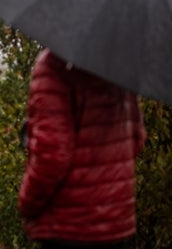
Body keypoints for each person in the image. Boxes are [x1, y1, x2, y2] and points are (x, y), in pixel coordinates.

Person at [19, 48, 146, 249]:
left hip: (68, 225)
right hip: (116, 223)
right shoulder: (121, 66)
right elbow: (137, 139)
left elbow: (51, 156)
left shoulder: (54, 65)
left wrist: (27, 204)